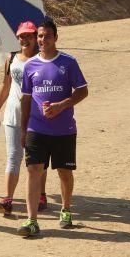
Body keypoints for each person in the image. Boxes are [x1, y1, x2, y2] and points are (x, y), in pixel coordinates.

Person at [18, 19, 89, 237]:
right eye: (40, 36)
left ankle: (66, 210)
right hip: (36, 129)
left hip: (64, 129)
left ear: (55, 38)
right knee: (33, 171)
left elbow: (83, 91)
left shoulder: (68, 62)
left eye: (47, 36)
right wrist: (23, 129)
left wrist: (61, 106)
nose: (42, 40)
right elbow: (26, 100)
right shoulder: (30, 66)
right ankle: (32, 220)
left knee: (64, 173)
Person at [0, 21, 47, 216]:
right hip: (13, 114)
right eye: (22, 36)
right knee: (13, 157)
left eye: (29, 36)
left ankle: (40, 194)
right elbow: (5, 86)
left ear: (35, 38)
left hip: (36, 116)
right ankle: (7, 199)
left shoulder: (42, 59)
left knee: (36, 159)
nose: (25, 39)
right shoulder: (12, 58)